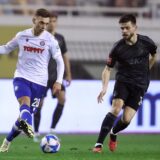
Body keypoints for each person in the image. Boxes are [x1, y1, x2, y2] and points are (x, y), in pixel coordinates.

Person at [0, 8, 64, 152]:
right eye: (41, 22)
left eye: (46, 24)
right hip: (21, 77)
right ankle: (28, 127)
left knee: (24, 114)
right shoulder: (22, 36)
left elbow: (60, 61)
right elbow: (6, 49)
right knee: (24, 103)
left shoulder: (50, 40)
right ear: (34, 19)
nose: (43, 26)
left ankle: (8, 140)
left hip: (40, 83)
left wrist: (58, 81)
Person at [93, 14, 157, 153]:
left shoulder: (147, 42)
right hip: (123, 82)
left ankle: (114, 133)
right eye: (122, 28)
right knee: (116, 109)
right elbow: (107, 69)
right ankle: (98, 144)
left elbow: (154, 54)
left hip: (140, 85)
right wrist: (104, 88)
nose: (124, 31)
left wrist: (147, 69)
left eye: (127, 28)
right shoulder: (117, 48)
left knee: (126, 119)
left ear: (135, 27)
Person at [33, 12, 72, 142]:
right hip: (42, 77)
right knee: (39, 104)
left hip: (56, 77)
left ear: (56, 22)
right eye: (50, 21)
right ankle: (36, 132)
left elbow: (65, 56)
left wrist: (68, 73)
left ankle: (52, 130)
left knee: (62, 99)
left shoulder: (60, 38)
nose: (52, 24)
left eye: (54, 21)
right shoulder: (39, 37)